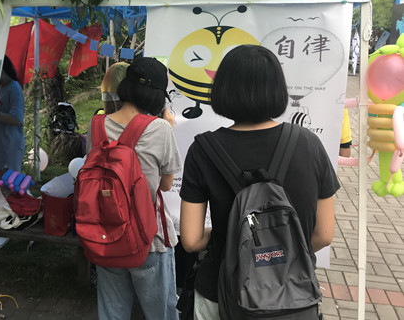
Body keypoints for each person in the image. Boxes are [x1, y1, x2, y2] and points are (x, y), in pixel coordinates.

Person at [179, 44, 339, 320]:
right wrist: (276, 251)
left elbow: (191, 240)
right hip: (292, 293)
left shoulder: (203, 150)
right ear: (277, 89)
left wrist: (234, 238)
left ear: (223, 89)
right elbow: (323, 234)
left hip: (221, 291)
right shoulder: (309, 144)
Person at [87, 57, 183, 320]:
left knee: (112, 314)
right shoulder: (160, 128)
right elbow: (165, 184)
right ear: (156, 96)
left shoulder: (96, 125)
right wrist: (169, 127)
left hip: (106, 235)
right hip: (149, 239)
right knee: (160, 314)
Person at [0, 55, 25, 251]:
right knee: (1, 186)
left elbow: (17, 119)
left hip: (10, 146)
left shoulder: (14, 88)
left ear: (4, 69)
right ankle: (8, 221)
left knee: (9, 187)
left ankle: (5, 230)